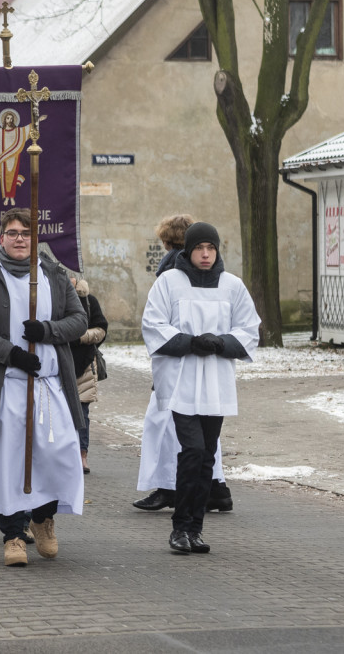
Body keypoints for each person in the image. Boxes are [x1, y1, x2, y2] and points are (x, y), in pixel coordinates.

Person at [0, 208, 87, 567]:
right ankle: (13, 535)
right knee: (10, 463)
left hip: (47, 384)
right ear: (1, 238)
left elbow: (79, 320)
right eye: (13, 233)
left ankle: (43, 518)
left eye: (26, 234)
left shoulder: (53, 274)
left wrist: (46, 331)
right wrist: (11, 353)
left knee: (57, 454)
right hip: (5, 386)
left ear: (35, 240)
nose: (19, 239)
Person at [141, 222, 260, 554]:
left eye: (211, 248)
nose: (205, 254)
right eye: (198, 248)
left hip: (216, 384)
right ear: (187, 251)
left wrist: (221, 343)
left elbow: (250, 329)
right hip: (181, 381)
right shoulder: (169, 283)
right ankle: (179, 527)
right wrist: (192, 342)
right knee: (191, 451)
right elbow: (152, 324)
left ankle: (195, 529)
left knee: (207, 455)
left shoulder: (232, 286)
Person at [134, 214, 233, 512]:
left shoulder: (173, 269)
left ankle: (172, 488)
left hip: (182, 365)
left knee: (171, 431)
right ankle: (214, 487)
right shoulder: (198, 269)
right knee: (197, 436)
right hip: (190, 360)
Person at [69, 275, 108, 474]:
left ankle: (82, 456)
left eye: (72, 274)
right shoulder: (53, 297)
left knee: (82, 413)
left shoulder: (88, 300)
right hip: (58, 363)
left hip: (84, 365)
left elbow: (101, 329)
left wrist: (79, 337)